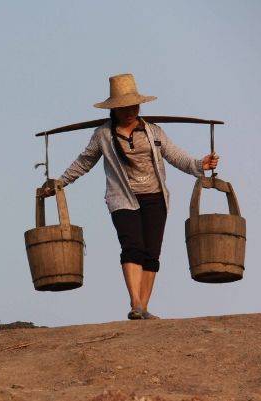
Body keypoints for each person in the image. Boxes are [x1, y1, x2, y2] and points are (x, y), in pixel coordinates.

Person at [41, 73, 219, 320]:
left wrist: (201, 164)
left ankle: (143, 307)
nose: (130, 111)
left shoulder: (153, 132)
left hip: (156, 198)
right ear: (114, 109)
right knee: (132, 247)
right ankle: (135, 303)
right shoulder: (103, 135)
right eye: (124, 107)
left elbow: (177, 157)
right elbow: (84, 163)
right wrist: (59, 183)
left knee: (151, 252)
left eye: (134, 106)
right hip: (123, 199)